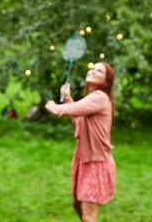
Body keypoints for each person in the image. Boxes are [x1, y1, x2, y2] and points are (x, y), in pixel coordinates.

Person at [45, 62, 116, 222]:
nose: (93, 71)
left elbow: (71, 110)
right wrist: (68, 98)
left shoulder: (100, 98)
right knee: (77, 204)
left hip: (96, 162)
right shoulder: (91, 98)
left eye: (99, 71)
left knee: (88, 214)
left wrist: (54, 107)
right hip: (84, 159)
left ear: (106, 81)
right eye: (93, 68)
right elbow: (78, 120)